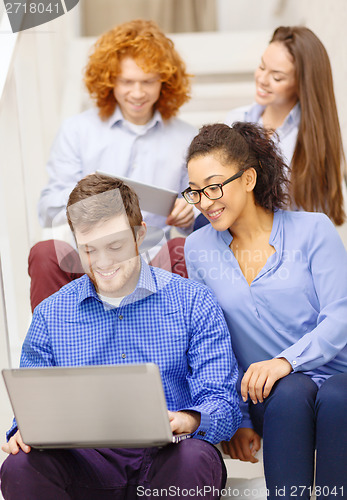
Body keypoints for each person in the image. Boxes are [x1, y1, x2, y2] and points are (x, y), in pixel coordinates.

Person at [1, 173, 241, 500]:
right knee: (20, 467)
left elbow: (225, 405)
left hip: (167, 459)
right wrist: (21, 433)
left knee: (194, 459)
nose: (103, 263)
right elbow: (29, 412)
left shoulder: (193, 302)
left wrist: (188, 419)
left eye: (115, 246)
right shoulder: (50, 315)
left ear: (139, 234)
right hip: (87, 465)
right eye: (89, 250)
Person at [183, 122, 347, 500]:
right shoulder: (198, 249)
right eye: (195, 192)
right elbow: (214, 340)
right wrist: (238, 418)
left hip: (337, 376)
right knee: (290, 391)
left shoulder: (313, 230)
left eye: (214, 186)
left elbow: (340, 316)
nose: (205, 202)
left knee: (337, 396)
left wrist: (284, 361)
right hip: (272, 395)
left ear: (248, 178)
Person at [29, 18, 197, 311]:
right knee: (44, 253)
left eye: (147, 81)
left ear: (164, 82)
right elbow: (47, 209)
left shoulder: (185, 138)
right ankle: (54, 350)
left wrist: (189, 212)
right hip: (90, 258)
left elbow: (203, 207)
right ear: (109, 80)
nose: (137, 93)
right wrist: (85, 195)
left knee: (182, 249)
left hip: (152, 261)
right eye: (126, 81)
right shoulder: (78, 130)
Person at [192, 26, 346, 234]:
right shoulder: (237, 119)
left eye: (277, 77)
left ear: (302, 84)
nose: (262, 79)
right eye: (262, 67)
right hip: (234, 240)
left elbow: (319, 222)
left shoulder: (312, 141)